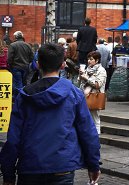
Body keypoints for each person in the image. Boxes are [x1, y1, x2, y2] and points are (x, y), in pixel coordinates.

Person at [0, 43, 101, 185]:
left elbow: (14, 137)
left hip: (31, 165)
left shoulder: (24, 95)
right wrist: (93, 165)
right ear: (62, 65)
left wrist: (8, 173)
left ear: (38, 64)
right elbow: (88, 132)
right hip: (62, 165)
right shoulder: (74, 93)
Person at [80, 51, 108, 134]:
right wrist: (80, 75)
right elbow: (81, 83)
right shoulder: (87, 69)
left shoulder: (101, 71)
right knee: (86, 117)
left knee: (95, 117)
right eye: (88, 59)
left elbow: (98, 84)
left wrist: (86, 79)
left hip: (94, 95)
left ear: (97, 60)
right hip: (85, 95)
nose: (89, 61)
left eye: (91, 59)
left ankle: (97, 136)